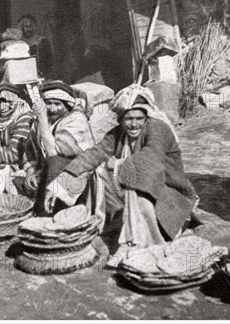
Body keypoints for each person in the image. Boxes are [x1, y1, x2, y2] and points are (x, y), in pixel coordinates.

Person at [46, 84, 199, 266]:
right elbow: (93, 155)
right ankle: (111, 225)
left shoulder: (158, 129)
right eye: (128, 119)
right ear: (120, 119)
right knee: (96, 170)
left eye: (139, 118)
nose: (134, 124)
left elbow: (151, 160)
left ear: (147, 116)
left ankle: (133, 244)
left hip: (166, 190)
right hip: (137, 183)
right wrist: (58, 186)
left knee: (134, 192)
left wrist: (117, 164)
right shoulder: (118, 133)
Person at [24, 80, 104, 220]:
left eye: (58, 104)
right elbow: (30, 151)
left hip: (78, 172)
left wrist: (42, 119)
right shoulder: (40, 121)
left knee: (56, 162)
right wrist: (31, 171)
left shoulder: (76, 119)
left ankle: (57, 213)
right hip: (49, 171)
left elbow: (54, 153)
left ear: (67, 105)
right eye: (48, 103)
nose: (52, 109)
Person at [18, 14, 54, 79]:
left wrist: (49, 78)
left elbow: (50, 63)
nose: (28, 29)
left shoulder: (43, 41)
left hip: (42, 77)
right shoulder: (18, 44)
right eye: (25, 26)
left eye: (30, 26)